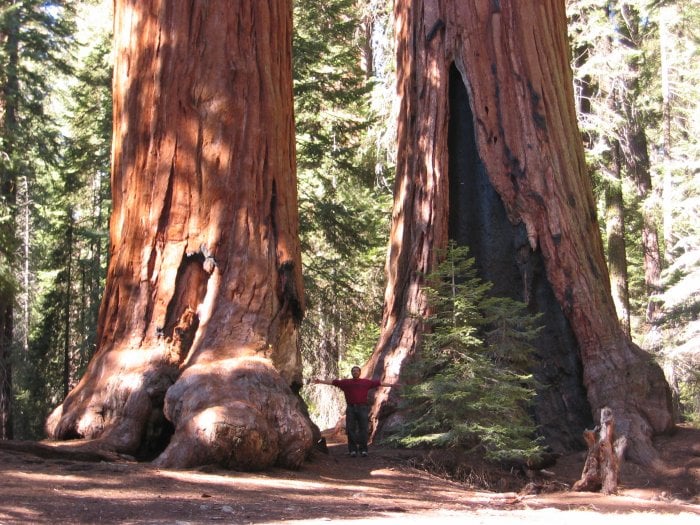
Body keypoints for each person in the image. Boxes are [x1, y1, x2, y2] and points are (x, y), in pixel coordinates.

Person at [313, 366, 399, 457]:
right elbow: (333, 382)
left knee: (363, 429)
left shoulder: (366, 382)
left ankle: (363, 450)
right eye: (353, 371)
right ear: (351, 373)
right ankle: (352, 450)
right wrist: (320, 381)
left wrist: (392, 385)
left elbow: (379, 383)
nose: (355, 372)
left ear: (360, 372)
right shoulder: (346, 382)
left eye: (357, 371)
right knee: (350, 429)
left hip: (362, 408)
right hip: (351, 408)